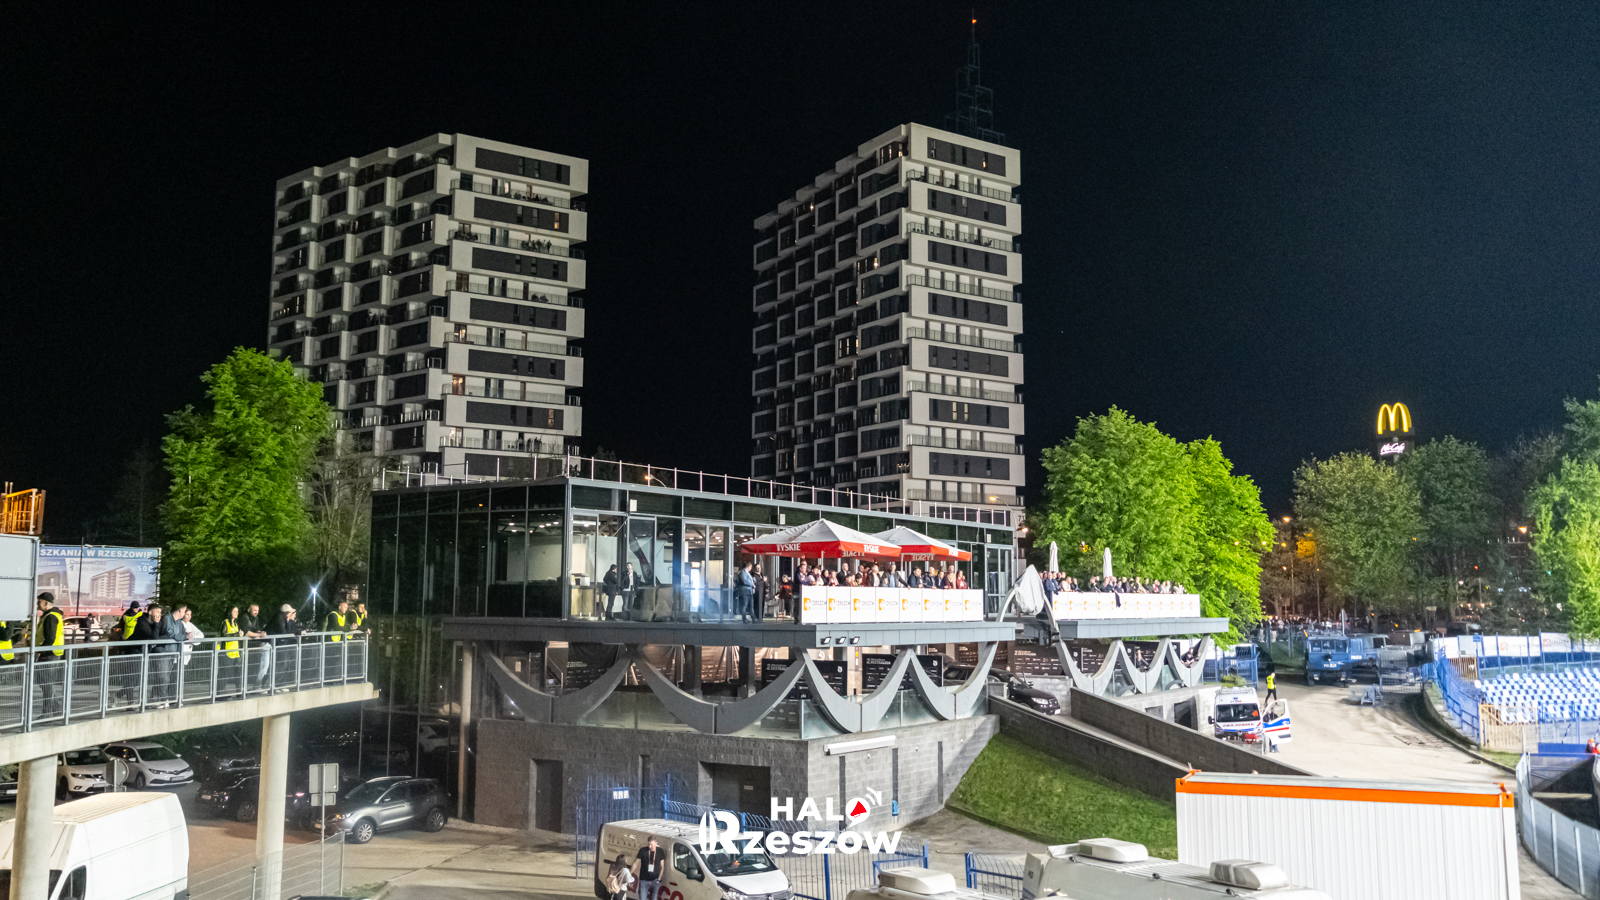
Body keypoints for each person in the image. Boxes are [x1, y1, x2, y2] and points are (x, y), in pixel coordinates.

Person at [34, 593, 64, 716]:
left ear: (45, 603)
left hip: (49, 653)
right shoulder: (49, 615)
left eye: (39, 602)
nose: (37, 604)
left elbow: (50, 638)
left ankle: (47, 713)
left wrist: (40, 651)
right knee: (44, 681)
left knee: (46, 683)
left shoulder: (51, 617)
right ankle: (57, 709)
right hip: (50, 653)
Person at [240, 603, 272, 690]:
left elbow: (256, 629)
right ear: (249, 610)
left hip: (250, 645)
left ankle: (255, 686)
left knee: (253, 666)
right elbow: (246, 632)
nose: (256, 612)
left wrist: (261, 633)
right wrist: (258, 635)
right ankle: (243, 690)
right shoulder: (243, 617)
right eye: (254, 610)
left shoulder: (255, 618)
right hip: (242, 645)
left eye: (257, 610)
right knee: (242, 667)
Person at [633, 836, 667, 900]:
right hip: (644, 879)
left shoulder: (660, 851)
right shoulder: (643, 850)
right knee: (643, 898)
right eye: (648, 844)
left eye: (651, 844)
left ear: (656, 843)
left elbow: (662, 866)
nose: (649, 846)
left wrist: (659, 879)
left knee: (654, 898)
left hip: (655, 880)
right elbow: (635, 863)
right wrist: (630, 873)